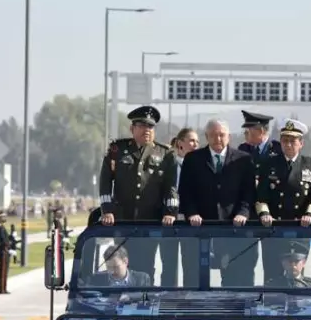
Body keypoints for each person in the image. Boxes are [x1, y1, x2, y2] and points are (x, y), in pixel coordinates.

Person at [98, 105, 178, 282]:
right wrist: (107, 210)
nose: (147, 130)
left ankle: (144, 300)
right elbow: (105, 183)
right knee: (123, 262)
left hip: (150, 220)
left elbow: (171, 188)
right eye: (142, 126)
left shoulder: (165, 154)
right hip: (122, 219)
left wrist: (169, 213)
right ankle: (123, 300)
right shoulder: (116, 151)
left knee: (146, 265)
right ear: (132, 129)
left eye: (150, 127)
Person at [178, 118, 256, 286]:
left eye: (222, 135)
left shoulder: (243, 160)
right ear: (206, 136)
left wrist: (243, 213)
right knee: (195, 279)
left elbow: (248, 192)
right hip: (199, 228)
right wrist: (191, 213)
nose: (218, 139)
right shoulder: (193, 159)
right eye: (213, 135)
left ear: (229, 136)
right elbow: (185, 191)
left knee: (235, 280)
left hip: (232, 229)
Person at [255, 118, 311, 278]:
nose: (288, 144)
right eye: (285, 140)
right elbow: (261, 196)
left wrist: (310, 215)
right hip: (273, 229)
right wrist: (264, 213)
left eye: (293, 141)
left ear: (301, 143)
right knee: (272, 277)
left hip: (299, 228)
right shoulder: (269, 164)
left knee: (296, 276)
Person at [159, 128, 199, 286]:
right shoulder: (170, 163)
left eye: (197, 141)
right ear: (180, 143)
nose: (195, 144)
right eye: (191, 141)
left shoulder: (199, 165)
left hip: (191, 222)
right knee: (169, 266)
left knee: (191, 266)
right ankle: (168, 299)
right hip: (170, 222)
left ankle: (190, 302)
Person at [237, 110, 282, 188]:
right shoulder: (243, 149)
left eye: (249, 131)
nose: (246, 134)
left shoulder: (278, 149)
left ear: (260, 131)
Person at [86, 245, 152, 287]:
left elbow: (145, 298)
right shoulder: (96, 279)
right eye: (109, 267)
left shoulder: (142, 279)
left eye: (115, 267)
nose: (112, 271)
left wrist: (130, 297)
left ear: (125, 261)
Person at [0, 211, 13, 294]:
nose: (4, 218)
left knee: (5, 270)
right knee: (3, 271)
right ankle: (1, 289)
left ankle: (4, 288)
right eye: (2, 217)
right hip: (3, 251)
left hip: (5, 250)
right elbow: (2, 240)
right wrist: (8, 243)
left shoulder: (2, 227)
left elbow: (6, 238)